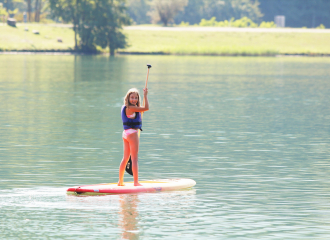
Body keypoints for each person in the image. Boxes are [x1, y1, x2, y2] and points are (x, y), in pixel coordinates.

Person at [118, 88, 149, 186]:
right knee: (134, 158)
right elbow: (146, 108)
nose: (134, 100)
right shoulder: (131, 108)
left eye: (136, 98)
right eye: (132, 97)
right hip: (132, 134)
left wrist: (140, 111)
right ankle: (136, 182)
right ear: (128, 98)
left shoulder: (126, 108)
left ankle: (120, 182)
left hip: (125, 134)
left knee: (126, 157)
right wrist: (145, 95)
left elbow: (140, 111)